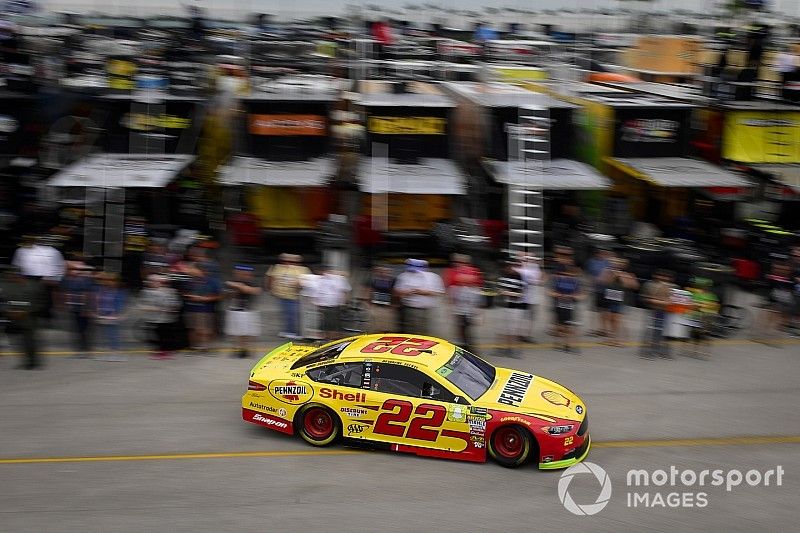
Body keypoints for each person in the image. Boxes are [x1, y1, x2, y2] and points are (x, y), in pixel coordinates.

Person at [11, 234, 65, 322]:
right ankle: (29, 314)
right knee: (28, 296)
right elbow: (16, 264)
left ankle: (44, 315)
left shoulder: (54, 251)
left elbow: (59, 266)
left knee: (45, 298)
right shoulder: (21, 251)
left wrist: (56, 279)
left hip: (46, 278)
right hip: (28, 277)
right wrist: (17, 276)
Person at [1, 265, 44, 369]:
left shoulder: (34, 286)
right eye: (10, 276)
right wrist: (7, 311)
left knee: (30, 341)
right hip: (12, 319)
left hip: (29, 319)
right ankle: (25, 361)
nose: (12, 278)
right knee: (17, 343)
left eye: (14, 275)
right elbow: (4, 301)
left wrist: (26, 312)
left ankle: (33, 362)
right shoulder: (7, 287)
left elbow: (41, 302)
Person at [393, 259, 444, 336]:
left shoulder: (433, 277)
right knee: (411, 332)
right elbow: (396, 291)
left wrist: (423, 292)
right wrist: (407, 292)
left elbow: (439, 292)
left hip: (427, 309)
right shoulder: (404, 276)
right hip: (410, 308)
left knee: (425, 331)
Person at [443, 254, 483, 352]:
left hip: (469, 307)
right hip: (459, 306)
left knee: (466, 329)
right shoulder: (453, 272)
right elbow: (450, 287)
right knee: (460, 329)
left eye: (461, 262)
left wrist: (478, 311)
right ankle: (464, 347)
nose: (458, 264)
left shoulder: (472, 271)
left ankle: (470, 350)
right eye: (456, 262)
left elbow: (476, 287)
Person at [265, 254, 310, 339]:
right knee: (287, 314)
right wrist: (270, 289)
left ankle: (296, 332)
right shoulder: (277, 267)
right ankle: (289, 331)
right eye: (285, 261)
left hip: (297, 296)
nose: (288, 263)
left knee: (295, 314)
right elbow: (270, 277)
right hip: (282, 294)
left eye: (292, 261)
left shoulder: (303, 269)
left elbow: (308, 281)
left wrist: (300, 284)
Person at [599, 257, 639, 347]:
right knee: (611, 318)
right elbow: (603, 282)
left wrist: (622, 276)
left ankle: (621, 339)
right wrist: (612, 275)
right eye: (614, 263)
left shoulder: (628, 274)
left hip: (622, 299)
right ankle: (612, 338)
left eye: (619, 263)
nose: (616, 265)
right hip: (611, 297)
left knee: (619, 320)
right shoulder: (609, 271)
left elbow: (634, 286)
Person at [139, 274, 181, 359]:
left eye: (157, 281)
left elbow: (176, 303)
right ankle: (160, 351)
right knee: (156, 335)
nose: (154, 283)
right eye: (152, 281)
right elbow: (142, 304)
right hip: (154, 318)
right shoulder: (146, 292)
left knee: (165, 335)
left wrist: (171, 308)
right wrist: (153, 308)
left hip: (166, 319)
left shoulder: (170, 291)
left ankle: (165, 352)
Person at [224, 265, 262, 358]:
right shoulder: (232, 282)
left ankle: (247, 349)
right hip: (235, 310)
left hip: (248, 311)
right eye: (239, 273)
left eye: (245, 273)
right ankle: (238, 349)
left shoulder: (252, 282)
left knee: (247, 332)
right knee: (235, 332)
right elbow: (225, 294)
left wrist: (239, 286)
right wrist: (236, 287)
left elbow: (255, 291)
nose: (242, 275)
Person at [183, 262, 221, 354]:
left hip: (205, 310)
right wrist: (189, 296)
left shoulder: (212, 281)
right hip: (191, 309)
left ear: (199, 270)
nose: (189, 270)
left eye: (191, 268)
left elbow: (219, 295)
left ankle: (205, 347)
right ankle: (194, 347)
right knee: (192, 329)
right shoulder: (189, 281)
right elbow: (184, 293)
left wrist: (205, 298)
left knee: (204, 329)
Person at [60, 260, 96, 355]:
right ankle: (81, 347)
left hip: (85, 308)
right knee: (77, 329)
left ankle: (86, 348)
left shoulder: (86, 280)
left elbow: (90, 294)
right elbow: (63, 290)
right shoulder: (68, 280)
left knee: (85, 329)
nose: (75, 271)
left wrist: (88, 308)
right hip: (74, 308)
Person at [640, 269, 676, 359]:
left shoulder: (674, 287)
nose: (662, 278)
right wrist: (660, 301)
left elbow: (674, 300)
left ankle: (664, 351)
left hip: (667, 312)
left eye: (665, 276)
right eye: (660, 275)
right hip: (654, 310)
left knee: (666, 332)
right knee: (652, 331)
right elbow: (645, 298)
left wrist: (657, 300)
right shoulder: (649, 285)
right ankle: (648, 351)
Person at [550, 262, 584, 354]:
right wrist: (560, 295)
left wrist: (573, 297)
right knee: (560, 326)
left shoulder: (576, 282)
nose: (570, 275)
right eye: (567, 273)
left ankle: (568, 345)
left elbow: (581, 295)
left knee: (569, 327)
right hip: (559, 305)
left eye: (572, 274)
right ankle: (559, 343)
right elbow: (551, 292)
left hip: (571, 307)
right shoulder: (558, 280)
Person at [496, 259, 527, 357]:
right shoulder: (504, 276)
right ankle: (504, 348)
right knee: (505, 328)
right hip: (507, 306)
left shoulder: (518, 276)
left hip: (516, 307)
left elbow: (520, 294)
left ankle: (513, 349)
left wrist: (507, 293)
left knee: (513, 329)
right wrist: (503, 292)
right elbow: (499, 290)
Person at [93, 272, 127, 361]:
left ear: (116, 281)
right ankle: (108, 353)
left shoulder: (120, 291)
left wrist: (116, 314)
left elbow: (120, 304)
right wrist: (97, 312)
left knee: (113, 335)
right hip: (102, 315)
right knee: (104, 335)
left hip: (112, 316)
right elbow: (98, 301)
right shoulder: (102, 290)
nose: (109, 282)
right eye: (107, 280)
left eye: (112, 280)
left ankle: (116, 354)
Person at [314, 266, 352, 341]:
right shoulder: (320, 280)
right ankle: (326, 338)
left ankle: (335, 338)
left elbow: (345, 290)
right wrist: (318, 302)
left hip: (335, 305)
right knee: (325, 322)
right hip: (324, 305)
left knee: (335, 323)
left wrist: (345, 302)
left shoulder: (338, 279)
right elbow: (318, 292)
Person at [686, 277, 720, 358]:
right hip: (696, 316)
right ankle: (695, 351)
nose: (706, 288)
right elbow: (692, 304)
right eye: (704, 286)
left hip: (707, 318)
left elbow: (714, 307)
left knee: (705, 334)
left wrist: (701, 305)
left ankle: (706, 352)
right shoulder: (696, 294)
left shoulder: (712, 296)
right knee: (695, 334)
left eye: (707, 286)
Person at [586, 248, 613, 337]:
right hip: (596, 289)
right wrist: (590, 286)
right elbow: (589, 275)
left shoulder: (608, 263)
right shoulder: (592, 262)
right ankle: (592, 329)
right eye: (600, 253)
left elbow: (611, 275)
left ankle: (603, 329)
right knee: (594, 310)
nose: (602, 255)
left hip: (606, 290)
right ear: (596, 254)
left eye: (604, 253)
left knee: (605, 310)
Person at [517, 253, 543, 343]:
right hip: (523, 297)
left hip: (532, 298)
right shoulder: (522, 268)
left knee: (530, 318)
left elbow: (537, 280)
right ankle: (522, 334)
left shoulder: (534, 267)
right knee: (523, 317)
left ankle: (526, 335)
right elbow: (536, 280)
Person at [365, 265, 395, 333]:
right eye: (381, 271)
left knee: (386, 327)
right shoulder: (373, 281)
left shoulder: (392, 281)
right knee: (375, 327)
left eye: (386, 271)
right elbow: (368, 291)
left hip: (387, 308)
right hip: (376, 307)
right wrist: (369, 305)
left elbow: (394, 293)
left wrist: (393, 306)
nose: (383, 273)